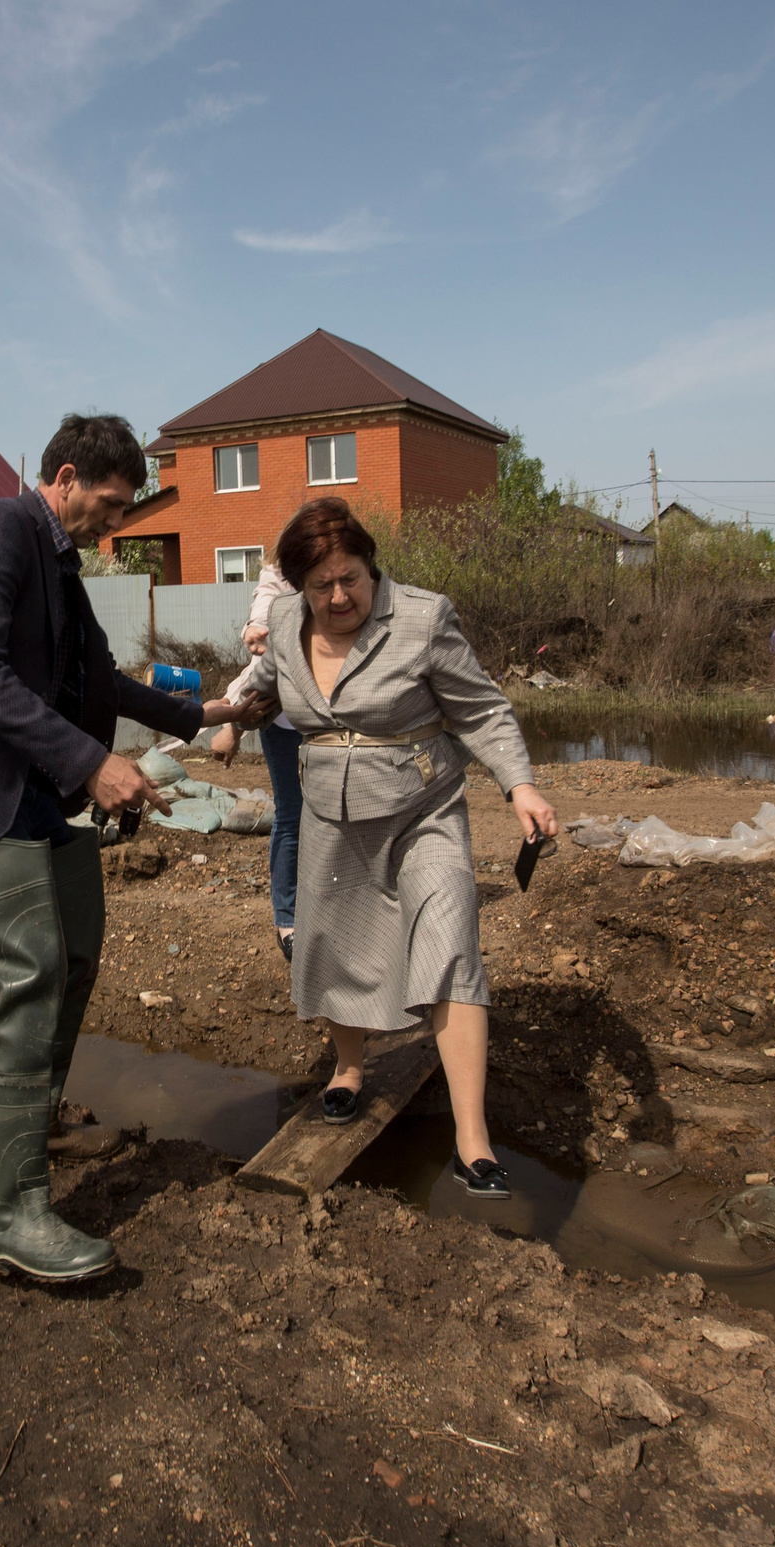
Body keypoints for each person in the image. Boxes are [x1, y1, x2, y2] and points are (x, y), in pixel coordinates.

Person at [0, 413, 257, 1282]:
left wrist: (201, 715)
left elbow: (98, 679)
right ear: (68, 476)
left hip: (27, 786)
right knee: (30, 972)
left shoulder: (59, 563)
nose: (115, 524)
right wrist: (93, 764)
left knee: (76, 948)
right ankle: (13, 1214)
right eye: (110, 505)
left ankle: (31, 1122)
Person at [229, 497, 558, 1199]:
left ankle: (472, 1140)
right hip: (330, 812)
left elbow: (482, 708)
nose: (337, 597)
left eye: (349, 578)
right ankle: (349, 1068)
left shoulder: (422, 618)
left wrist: (520, 785)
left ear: (370, 567)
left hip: (421, 810)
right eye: (321, 585)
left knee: (450, 944)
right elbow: (263, 682)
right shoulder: (284, 623)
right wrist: (227, 719)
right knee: (336, 943)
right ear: (297, 586)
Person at [207, 560, 302, 958]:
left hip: (333, 717)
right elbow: (262, 650)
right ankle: (288, 918)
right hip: (283, 720)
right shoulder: (278, 574)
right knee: (292, 813)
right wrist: (233, 721)